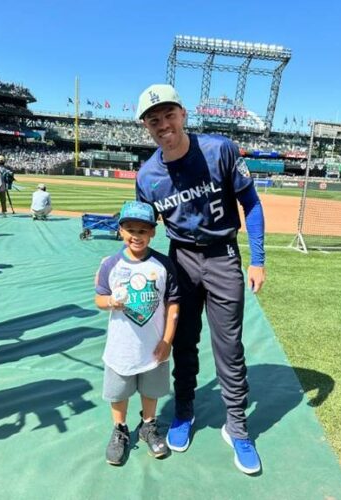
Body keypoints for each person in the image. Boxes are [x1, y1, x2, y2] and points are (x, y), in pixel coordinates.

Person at [135, 84, 266, 474]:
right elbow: (142, 228)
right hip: (181, 262)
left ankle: (237, 426)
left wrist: (257, 261)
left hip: (223, 256)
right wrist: (127, 265)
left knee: (229, 346)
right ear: (146, 127)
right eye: (154, 120)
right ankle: (185, 411)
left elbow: (251, 203)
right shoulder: (147, 175)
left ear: (183, 114)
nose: (163, 125)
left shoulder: (219, 149)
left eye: (169, 115)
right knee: (184, 341)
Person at [95, 200, 180, 465]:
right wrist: (111, 302)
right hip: (121, 347)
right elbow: (99, 298)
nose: (136, 235)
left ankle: (148, 425)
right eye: (130, 229)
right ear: (121, 231)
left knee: (151, 389)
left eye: (143, 230)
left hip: (154, 345)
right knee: (119, 392)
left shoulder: (163, 264)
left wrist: (167, 340)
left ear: (153, 232)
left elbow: (173, 304)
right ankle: (120, 430)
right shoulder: (111, 264)